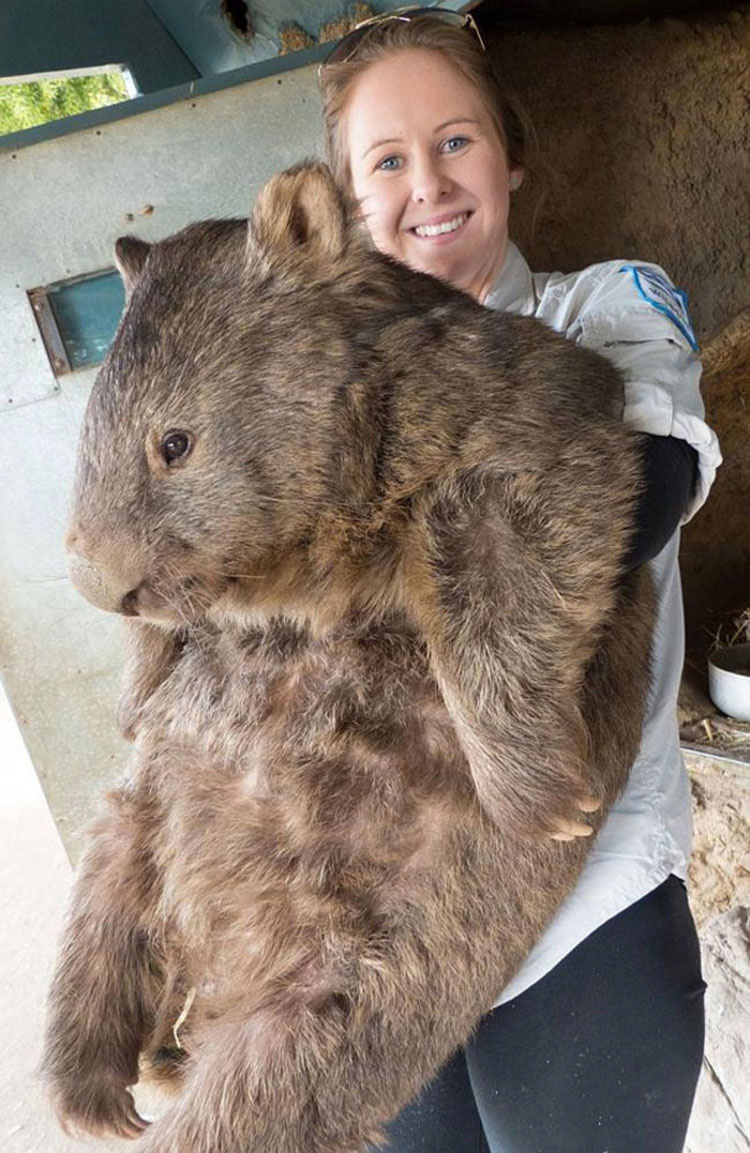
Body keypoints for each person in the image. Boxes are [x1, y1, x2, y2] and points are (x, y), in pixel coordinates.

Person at [317, 10, 722, 1153]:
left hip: (581, 914)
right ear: (349, 204)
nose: (428, 183)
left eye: (456, 142)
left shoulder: (609, 308)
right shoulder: (327, 390)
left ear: (510, 156)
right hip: (387, 938)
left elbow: (634, 495)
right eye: (387, 161)